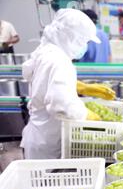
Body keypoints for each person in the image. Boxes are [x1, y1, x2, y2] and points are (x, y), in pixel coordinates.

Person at [20, 9, 115, 159]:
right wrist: (88, 116)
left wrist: (83, 87)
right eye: (84, 41)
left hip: (42, 134)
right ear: (72, 38)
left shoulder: (48, 51)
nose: (85, 46)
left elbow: (45, 80)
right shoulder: (59, 60)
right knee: (47, 180)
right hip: (48, 142)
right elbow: (61, 105)